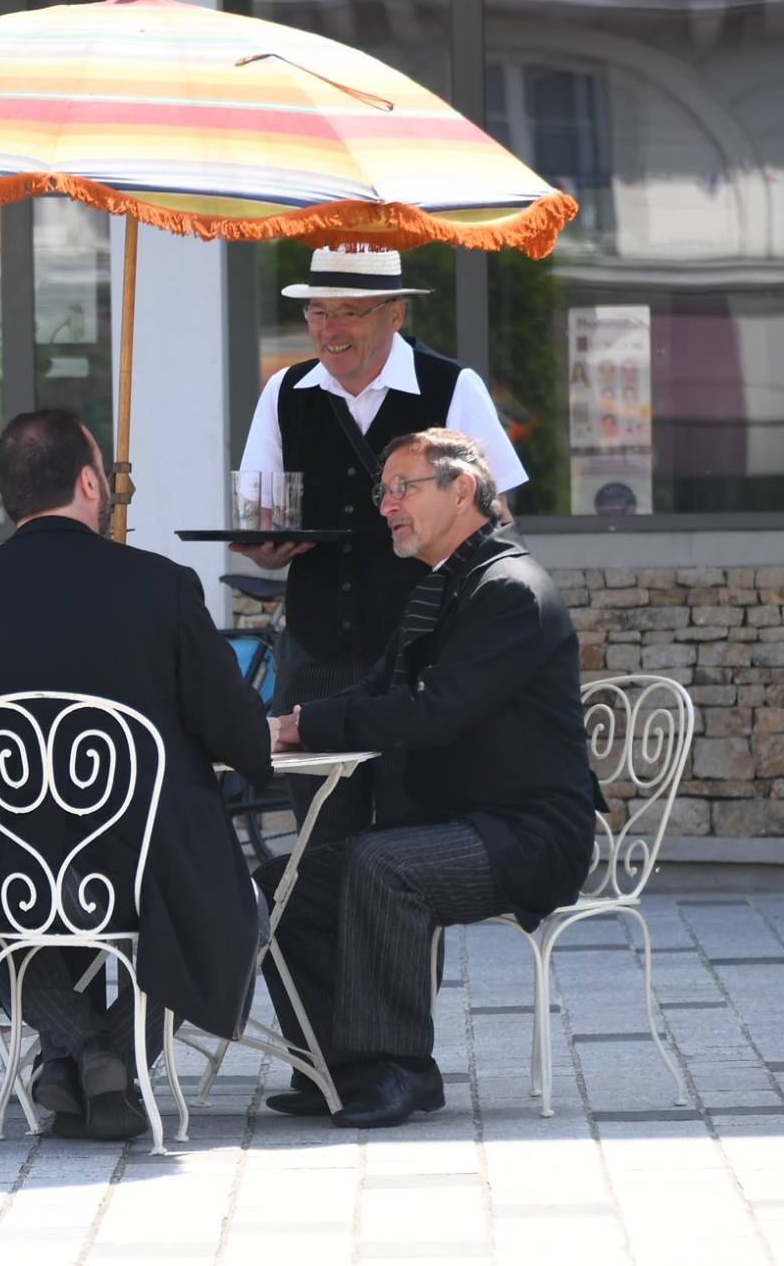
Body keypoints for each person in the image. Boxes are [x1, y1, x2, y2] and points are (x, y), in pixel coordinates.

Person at [0, 409, 274, 1140]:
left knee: (3, 916)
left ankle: (70, 1055)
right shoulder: (161, 585)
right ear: (91, 482)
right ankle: (111, 1056)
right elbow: (241, 734)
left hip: (8, 873)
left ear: (9, 496)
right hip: (148, 869)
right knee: (244, 908)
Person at [257, 428, 597, 1129]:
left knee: (383, 865)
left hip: (529, 834)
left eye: (402, 487)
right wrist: (294, 722)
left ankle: (400, 1071)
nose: (385, 505)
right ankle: (333, 1067)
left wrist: (308, 728)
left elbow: (432, 713)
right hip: (458, 824)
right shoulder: (442, 586)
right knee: (283, 886)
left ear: (462, 489)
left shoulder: (508, 589)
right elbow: (379, 692)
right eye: (382, 490)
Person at [234, 247, 530, 844]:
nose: (329, 329)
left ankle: (398, 944)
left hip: (420, 660)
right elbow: (262, 513)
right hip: (316, 656)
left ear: (394, 314)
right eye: (317, 311)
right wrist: (264, 549)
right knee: (321, 845)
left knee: (413, 845)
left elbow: (498, 520)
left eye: (349, 312)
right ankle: (324, 943)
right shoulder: (284, 392)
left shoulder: (452, 387)